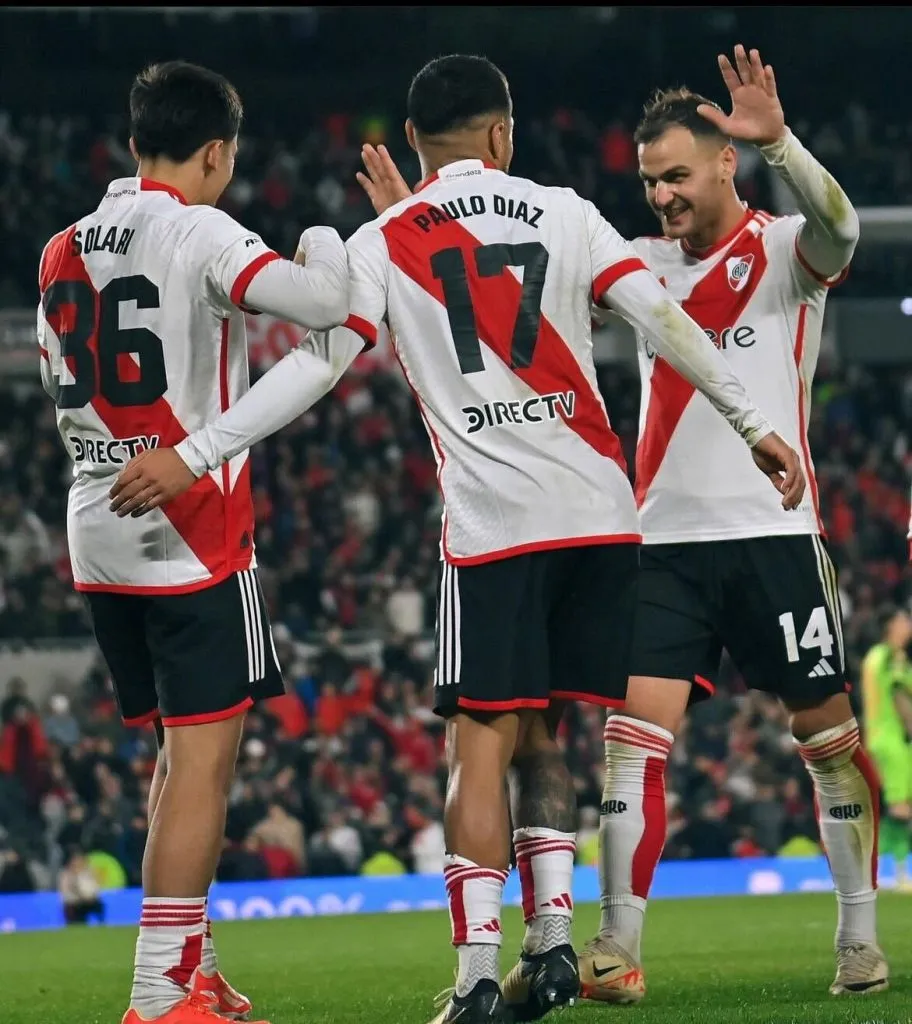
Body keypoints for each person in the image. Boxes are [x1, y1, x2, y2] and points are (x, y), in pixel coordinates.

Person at [108, 54, 803, 1024]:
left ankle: (478, 975)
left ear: (415, 145)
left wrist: (204, 448)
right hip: (603, 517)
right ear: (501, 135)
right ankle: (554, 946)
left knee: (476, 747)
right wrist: (755, 422)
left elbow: (323, 361)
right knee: (547, 734)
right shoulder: (565, 211)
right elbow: (662, 318)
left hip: (495, 528)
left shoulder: (387, 238)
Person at [36, 60, 349, 1024]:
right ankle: (160, 992)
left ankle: (192, 967)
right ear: (217, 152)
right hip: (192, 527)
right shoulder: (202, 228)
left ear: (136, 144)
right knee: (205, 767)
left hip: (97, 527)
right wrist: (328, 237)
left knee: (175, 765)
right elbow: (325, 309)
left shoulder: (59, 249)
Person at [574, 47, 883, 1003]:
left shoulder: (787, 251)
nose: (661, 194)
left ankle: (858, 940)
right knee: (631, 739)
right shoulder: (639, 266)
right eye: (648, 179)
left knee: (827, 739)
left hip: (777, 536)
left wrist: (785, 141)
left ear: (724, 163)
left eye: (675, 174)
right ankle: (617, 951)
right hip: (662, 540)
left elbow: (844, 226)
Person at [861, 608, 912, 892]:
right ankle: (899, 874)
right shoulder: (891, 657)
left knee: (899, 806)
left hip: (881, 736)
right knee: (901, 807)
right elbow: (899, 697)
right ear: (890, 626)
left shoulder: (874, 658)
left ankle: (881, 868)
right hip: (893, 739)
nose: (908, 624)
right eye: (903, 620)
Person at [59, 849, 106, 925]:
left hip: (89, 901)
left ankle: (102, 923)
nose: (78, 863)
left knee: (98, 904)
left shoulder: (89, 872)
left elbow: (95, 888)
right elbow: (65, 893)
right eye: (76, 860)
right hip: (74, 903)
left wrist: (89, 897)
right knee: (72, 909)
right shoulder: (66, 874)